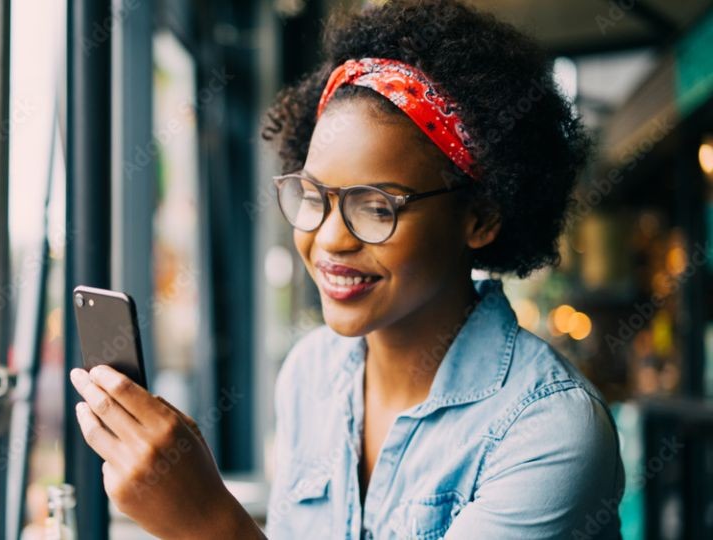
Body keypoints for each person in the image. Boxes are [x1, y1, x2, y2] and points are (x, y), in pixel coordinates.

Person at [69, 1, 624, 538]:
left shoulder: (549, 431)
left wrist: (207, 524)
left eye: (377, 207)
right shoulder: (309, 375)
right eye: (313, 196)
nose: (330, 238)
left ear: (479, 218)